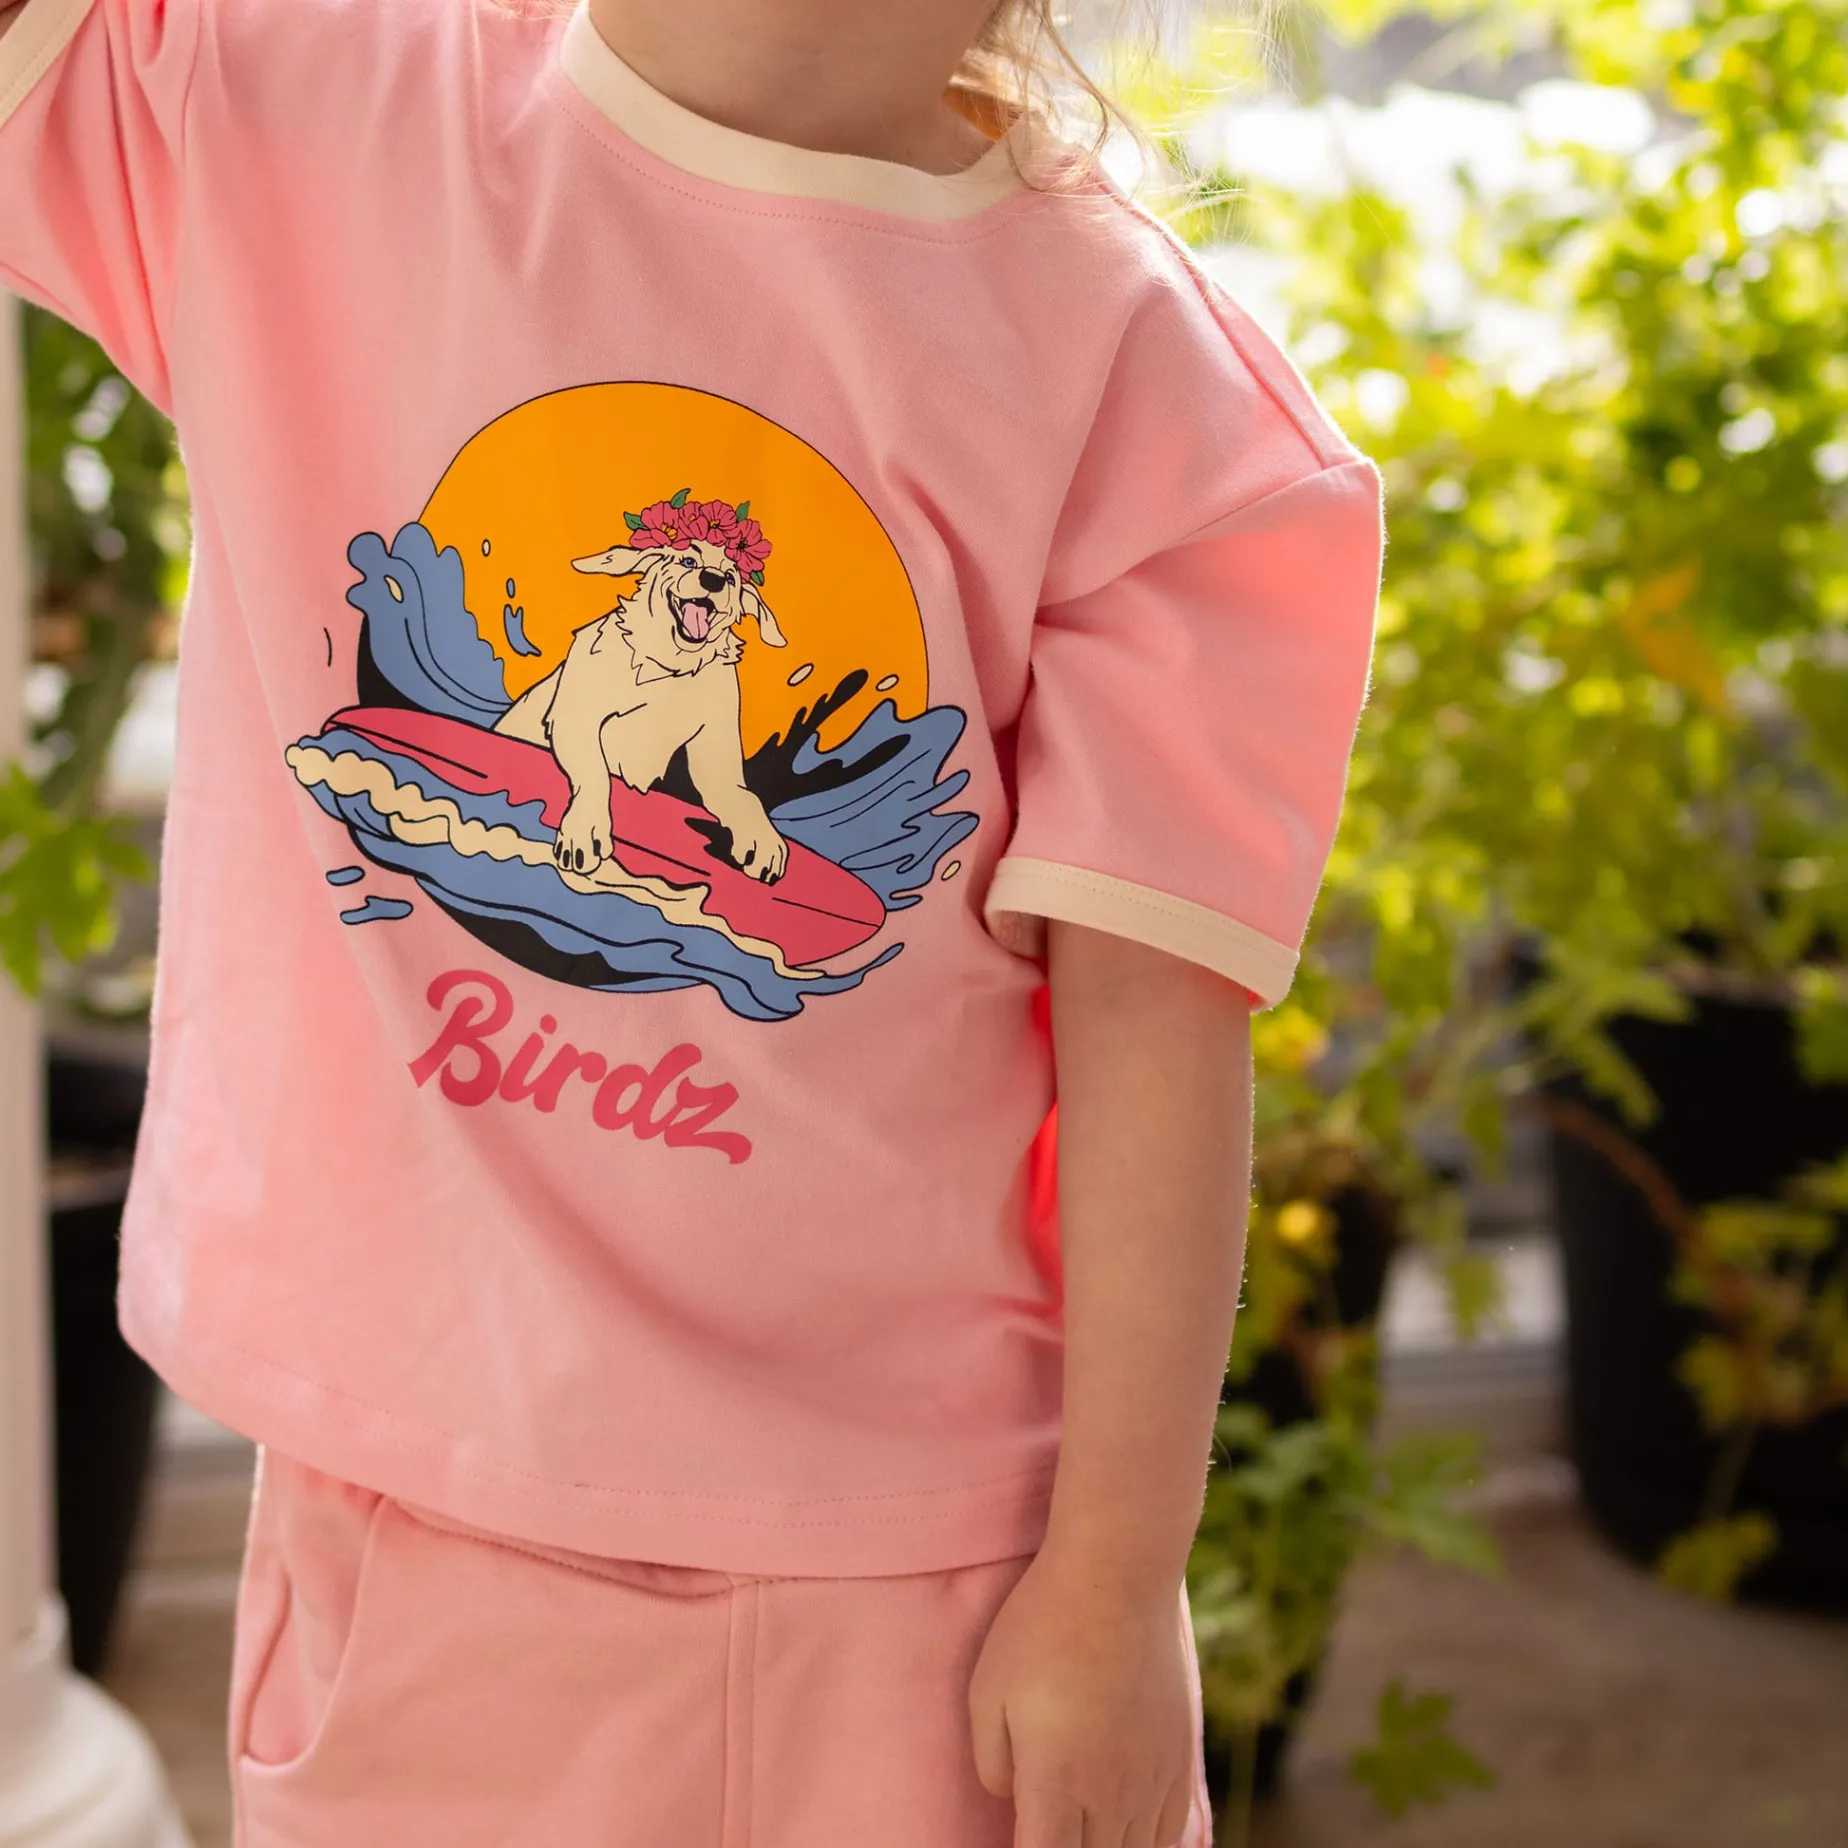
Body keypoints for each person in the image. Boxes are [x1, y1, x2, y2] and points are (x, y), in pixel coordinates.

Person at [0, 0, 1381, 1842]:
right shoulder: (276, 106)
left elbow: (1155, 1032)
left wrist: (1115, 1582)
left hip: (920, 1570)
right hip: (405, 1503)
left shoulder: (1157, 401)